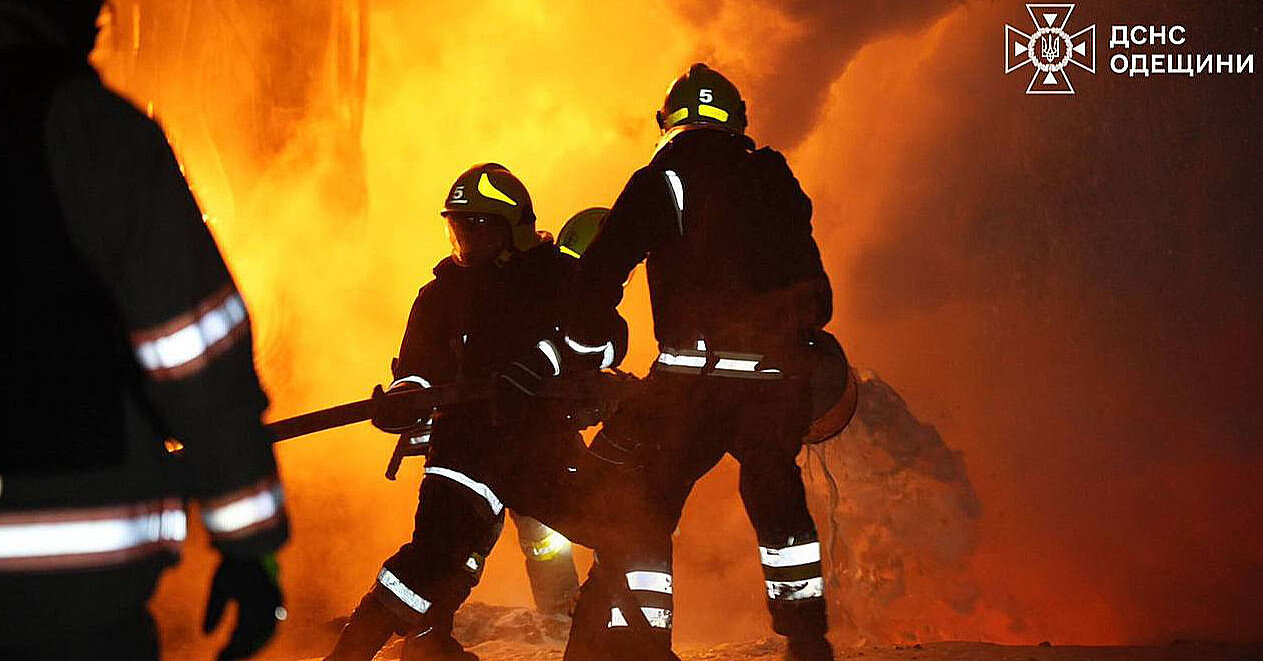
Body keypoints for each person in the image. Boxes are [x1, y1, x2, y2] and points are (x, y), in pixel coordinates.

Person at [0, 2, 289, 660]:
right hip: (74, 591)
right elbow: (198, 360)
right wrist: (251, 548)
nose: (100, 17)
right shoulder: (94, 136)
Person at [563, 63, 836, 661]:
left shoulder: (661, 180)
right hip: (770, 385)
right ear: (738, 121)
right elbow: (818, 294)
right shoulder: (772, 177)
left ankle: (636, 641)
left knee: (639, 505)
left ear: (666, 121)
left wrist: (581, 360)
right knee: (777, 499)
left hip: (690, 387)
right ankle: (808, 638)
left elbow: (599, 275)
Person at [324, 163, 629, 661]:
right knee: (434, 562)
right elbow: (420, 370)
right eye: (458, 229)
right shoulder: (440, 294)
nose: (465, 242)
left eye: (477, 229)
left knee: (622, 530)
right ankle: (392, 651)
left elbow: (610, 340)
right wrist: (403, 400)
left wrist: (549, 365)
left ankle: (610, 645)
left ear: (513, 230)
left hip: (540, 445)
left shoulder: (556, 278)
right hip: (465, 448)